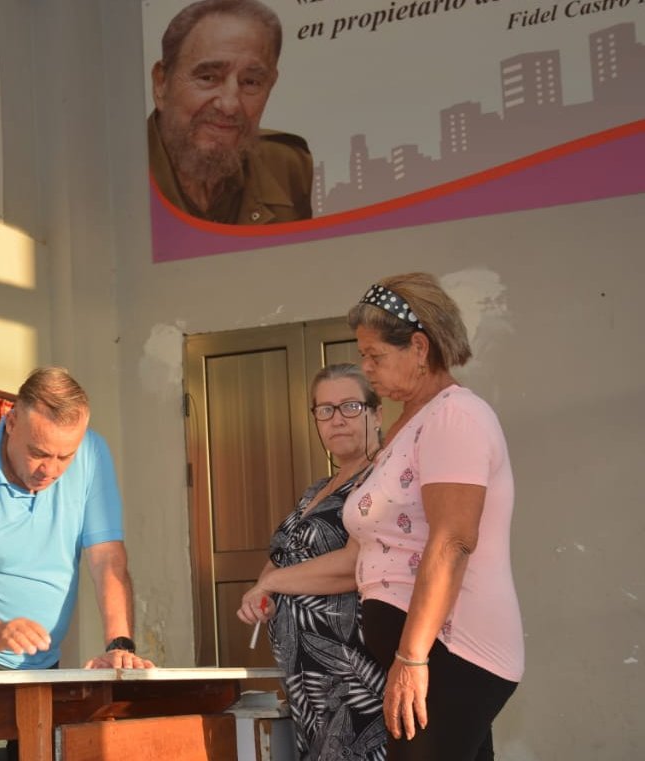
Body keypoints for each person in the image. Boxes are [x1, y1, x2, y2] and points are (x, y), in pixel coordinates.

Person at [249, 274, 524, 761]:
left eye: (375, 355)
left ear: (419, 348)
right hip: (426, 651)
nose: (366, 367)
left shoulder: (454, 417)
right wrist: (272, 581)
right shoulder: (408, 425)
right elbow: (360, 557)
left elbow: (453, 540)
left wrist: (412, 655)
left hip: (452, 649)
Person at [0, 367, 153, 672]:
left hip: (40, 661)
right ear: (11, 422)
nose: (50, 470)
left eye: (65, 457)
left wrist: (120, 645)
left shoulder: (92, 453)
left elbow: (106, 559)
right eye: (38, 453)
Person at [238, 364, 388, 760]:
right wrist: (260, 590)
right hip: (309, 680)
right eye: (324, 410)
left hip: (351, 670)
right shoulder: (318, 489)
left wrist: (271, 584)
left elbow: (353, 565)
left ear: (377, 412)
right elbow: (284, 555)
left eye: (350, 406)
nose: (336, 419)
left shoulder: (383, 476)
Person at [148, 0, 313, 225]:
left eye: (251, 82)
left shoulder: (288, 166)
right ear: (161, 83)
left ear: (271, 85)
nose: (229, 105)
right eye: (208, 78)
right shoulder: (104, 183)